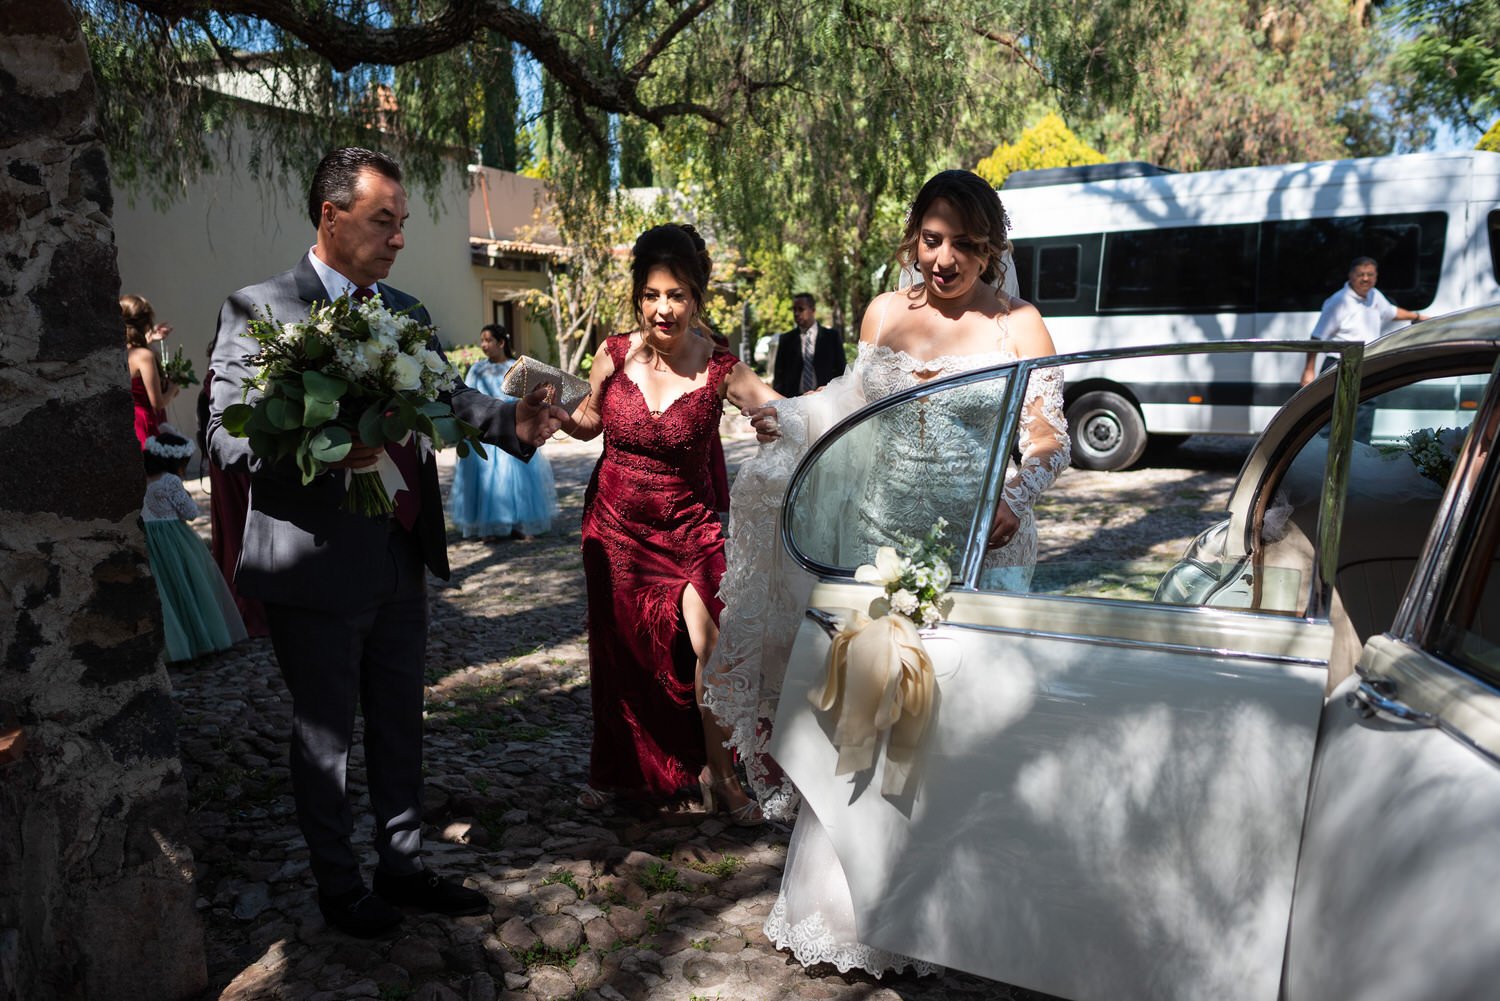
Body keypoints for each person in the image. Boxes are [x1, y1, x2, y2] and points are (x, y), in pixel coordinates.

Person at [705, 169, 1071, 975]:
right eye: (932, 241)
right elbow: (846, 414)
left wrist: (1014, 495)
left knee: (960, 729)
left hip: (981, 551)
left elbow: (1049, 441)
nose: (944, 260)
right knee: (869, 723)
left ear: (991, 249)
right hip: (879, 546)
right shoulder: (882, 315)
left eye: (965, 245)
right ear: (914, 238)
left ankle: (957, 918)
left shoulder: (1021, 325)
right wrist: (787, 418)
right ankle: (849, 911)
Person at [205, 147, 570, 938]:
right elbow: (225, 437)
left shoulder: (403, 310)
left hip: (400, 556)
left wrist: (518, 424)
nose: (398, 238)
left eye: (403, 224)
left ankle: (401, 865)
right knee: (326, 735)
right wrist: (326, 437)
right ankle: (340, 885)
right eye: (383, 222)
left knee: (402, 720)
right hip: (314, 565)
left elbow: (447, 397)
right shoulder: (258, 309)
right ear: (330, 217)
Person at [560, 223, 780, 822]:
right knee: (621, 653)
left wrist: (780, 422)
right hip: (614, 525)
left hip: (688, 527)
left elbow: (782, 408)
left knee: (714, 641)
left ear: (697, 299)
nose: (664, 308)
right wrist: (554, 412)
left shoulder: (720, 368)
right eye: (653, 294)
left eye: (678, 295)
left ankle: (722, 775)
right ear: (637, 297)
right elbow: (587, 422)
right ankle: (618, 770)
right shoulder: (613, 353)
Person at [140, 430, 248, 662]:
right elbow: (190, 513)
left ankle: (172, 646)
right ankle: (198, 638)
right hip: (174, 539)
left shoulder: (142, 481)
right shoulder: (170, 482)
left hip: (147, 540)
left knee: (165, 592)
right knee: (186, 585)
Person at [449, 323, 560, 540]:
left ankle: (519, 524)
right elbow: (470, 401)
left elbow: (529, 397)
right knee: (488, 479)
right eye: (482, 340)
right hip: (486, 431)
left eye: (489, 340)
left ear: (501, 343)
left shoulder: (517, 367)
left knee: (515, 480)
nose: (484, 345)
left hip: (513, 426)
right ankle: (489, 526)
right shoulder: (477, 369)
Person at [1300, 256, 1426, 386]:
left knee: (1367, 405)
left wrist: (1418, 317)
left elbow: (1391, 312)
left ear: (1376, 276)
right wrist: (1309, 370)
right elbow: (1317, 337)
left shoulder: (1374, 295)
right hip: (1342, 365)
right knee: (1340, 406)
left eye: (1370, 274)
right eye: (1360, 274)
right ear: (1351, 275)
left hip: (1368, 363)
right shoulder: (1338, 301)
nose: (1365, 278)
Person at [122, 294, 177, 449]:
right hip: (144, 423)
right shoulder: (144, 356)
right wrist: (173, 388)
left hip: (127, 422)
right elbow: (158, 403)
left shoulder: (118, 352)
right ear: (147, 322)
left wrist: (150, 337)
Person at [771, 292, 846, 398]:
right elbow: (779, 376)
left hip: (826, 398)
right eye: (794, 309)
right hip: (794, 400)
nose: (796, 313)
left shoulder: (831, 337)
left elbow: (841, 371)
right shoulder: (786, 339)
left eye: (801, 309)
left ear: (813, 310)